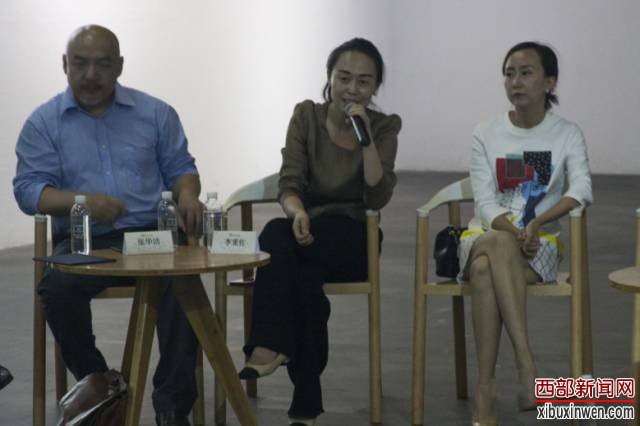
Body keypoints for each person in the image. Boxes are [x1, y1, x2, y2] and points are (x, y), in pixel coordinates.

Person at [13, 25, 203, 426]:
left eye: (102, 64)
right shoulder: (44, 123)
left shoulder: (156, 113)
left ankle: (172, 406)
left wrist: (187, 195)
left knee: (184, 284)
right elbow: (28, 192)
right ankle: (101, 389)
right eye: (80, 64)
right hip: (83, 238)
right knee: (56, 288)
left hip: (152, 236)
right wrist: (82, 201)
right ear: (64, 65)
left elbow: (181, 168)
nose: (91, 75)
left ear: (120, 66)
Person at [237, 38, 401, 425]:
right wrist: (297, 212)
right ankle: (305, 399)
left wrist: (365, 139)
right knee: (285, 245)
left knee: (291, 255)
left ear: (375, 87)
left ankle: (269, 343)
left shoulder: (382, 127)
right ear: (329, 78)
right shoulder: (306, 117)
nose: (352, 89)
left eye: (363, 82)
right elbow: (290, 181)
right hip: (307, 231)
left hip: (354, 237)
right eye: (344, 78)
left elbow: (377, 195)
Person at [458, 41, 592, 425]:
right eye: (509, 74)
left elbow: (581, 189)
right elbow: (486, 204)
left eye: (526, 73)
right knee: (497, 243)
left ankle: (485, 399)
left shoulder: (567, 134)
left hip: (539, 245)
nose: (515, 82)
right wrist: (516, 230)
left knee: (484, 271)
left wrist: (536, 223)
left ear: (549, 82)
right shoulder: (486, 133)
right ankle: (525, 361)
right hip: (486, 235)